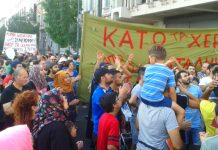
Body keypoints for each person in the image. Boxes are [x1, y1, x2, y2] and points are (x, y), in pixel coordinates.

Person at [176, 70, 203, 149]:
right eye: (185, 76)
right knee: (185, 145)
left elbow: (201, 102)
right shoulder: (175, 91)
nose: (188, 77)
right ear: (179, 80)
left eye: (188, 75)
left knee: (198, 145)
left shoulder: (196, 88)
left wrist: (185, 93)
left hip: (197, 123)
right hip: (183, 125)